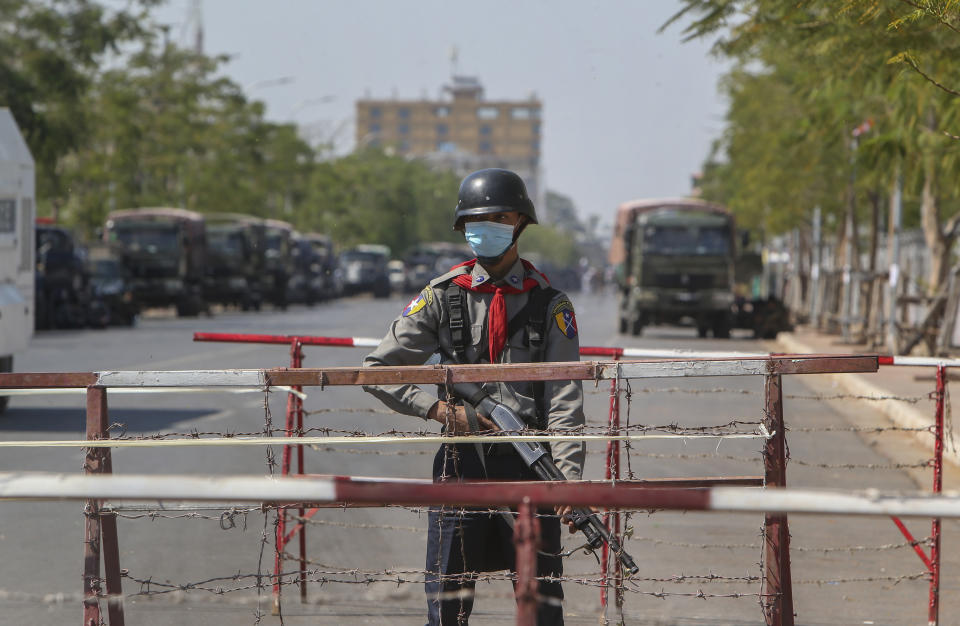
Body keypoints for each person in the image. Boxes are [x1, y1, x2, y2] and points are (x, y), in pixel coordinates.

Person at [363, 168, 585, 625]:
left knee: (542, 601)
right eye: (476, 221)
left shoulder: (550, 304)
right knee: (448, 601)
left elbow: (564, 397)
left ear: (520, 223)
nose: (485, 229)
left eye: (498, 217)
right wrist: (440, 410)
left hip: (532, 466)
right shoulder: (443, 298)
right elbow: (375, 371)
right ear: (464, 228)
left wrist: (565, 475)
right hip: (461, 466)